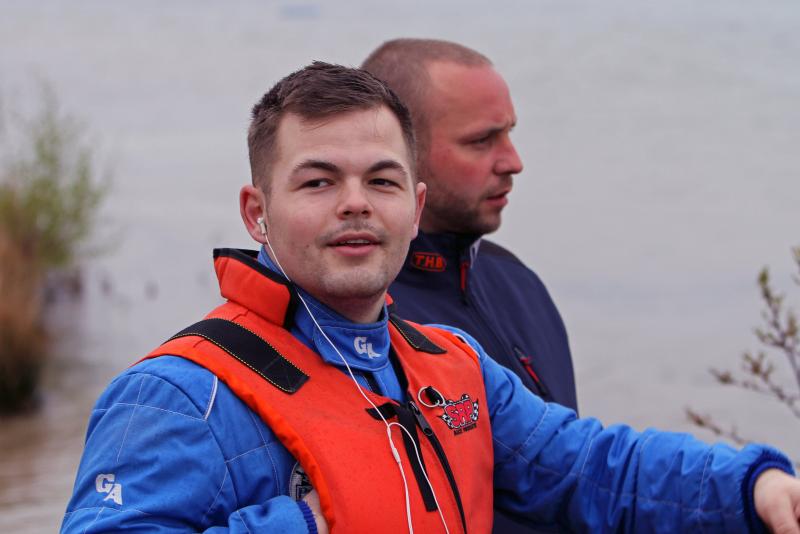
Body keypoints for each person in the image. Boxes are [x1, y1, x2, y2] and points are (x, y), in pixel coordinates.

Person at [61, 62, 800, 534]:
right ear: (258, 212)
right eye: (318, 181)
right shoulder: (177, 396)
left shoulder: (455, 366)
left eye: (380, 181)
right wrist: (311, 522)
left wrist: (753, 486)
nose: (356, 203)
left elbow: (596, 470)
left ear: (414, 209)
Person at [362, 39, 578, 415]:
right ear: (399, 151)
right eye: (481, 141)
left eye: (509, 133)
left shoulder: (517, 282)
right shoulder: (359, 316)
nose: (513, 162)